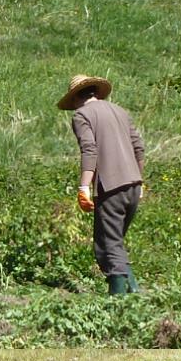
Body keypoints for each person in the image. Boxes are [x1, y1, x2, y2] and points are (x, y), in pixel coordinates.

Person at [57, 75, 145, 294]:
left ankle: (121, 302)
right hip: (134, 185)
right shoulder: (120, 111)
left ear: (76, 97)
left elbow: (90, 150)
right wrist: (140, 180)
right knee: (112, 241)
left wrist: (84, 187)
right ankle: (132, 290)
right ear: (95, 92)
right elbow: (139, 147)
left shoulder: (82, 115)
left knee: (109, 244)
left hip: (111, 187)